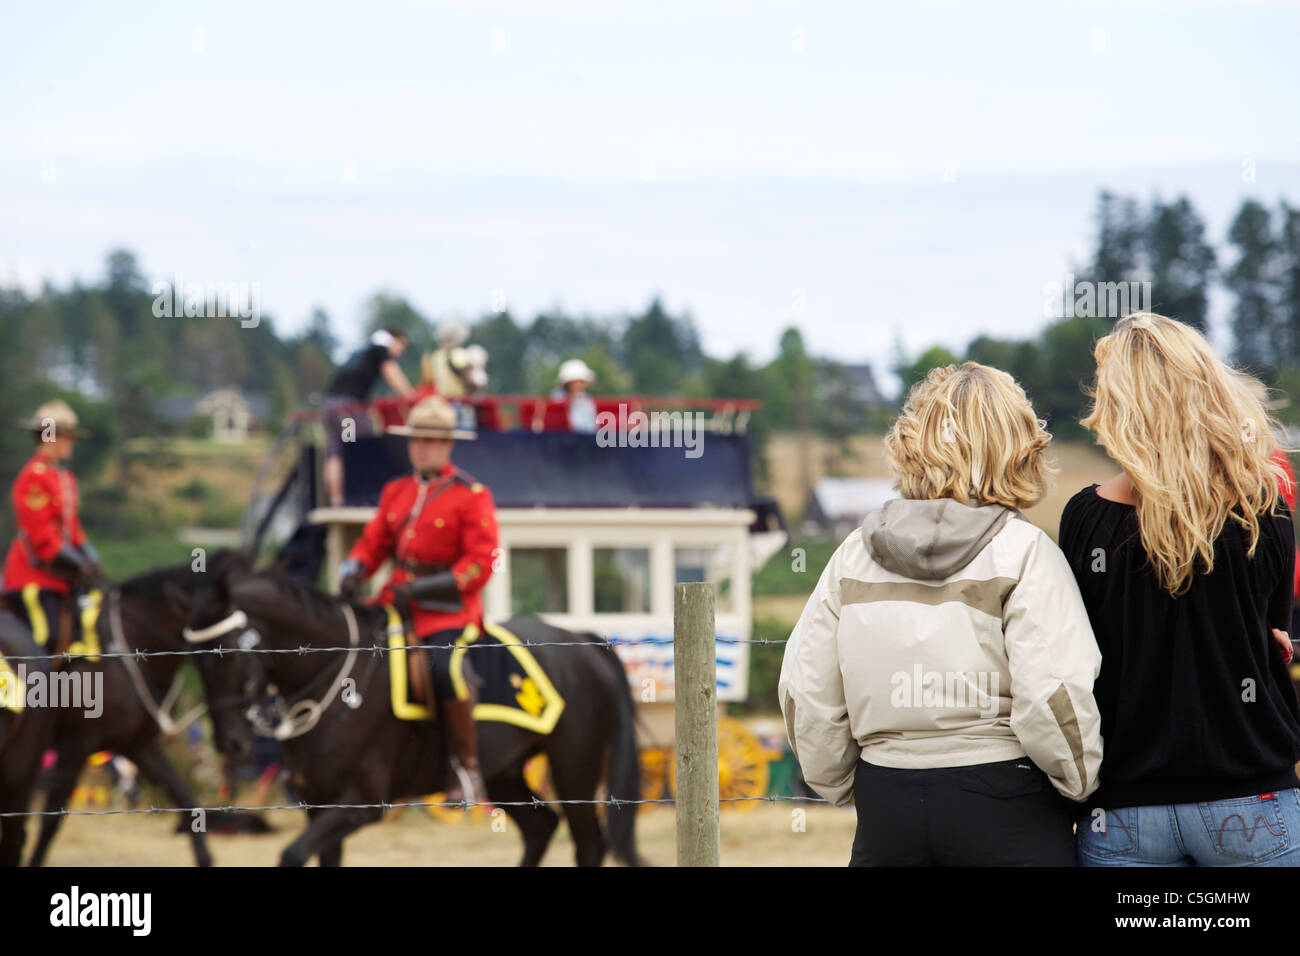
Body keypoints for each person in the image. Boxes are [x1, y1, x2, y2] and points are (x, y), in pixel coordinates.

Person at [779, 362, 1103, 866]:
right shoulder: (1025, 552)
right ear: (1018, 449)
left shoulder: (852, 555)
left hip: (887, 804)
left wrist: (839, 783)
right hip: (1008, 801)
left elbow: (806, 690)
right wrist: (1078, 781)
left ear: (911, 442)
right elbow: (1053, 694)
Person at [1059, 312, 1300, 867]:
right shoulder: (1265, 509)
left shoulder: (1084, 519)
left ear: (1117, 405)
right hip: (1254, 798)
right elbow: (1275, 630)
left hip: (1122, 808)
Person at [336, 396, 498, 804]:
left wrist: (425, 589)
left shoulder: (472, 495)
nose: (421, 447)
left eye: (430, 440)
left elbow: (480, 565)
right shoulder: (396, 492)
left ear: (448, 444)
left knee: (443, 669)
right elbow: (374, 544)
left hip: (448, 613)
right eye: (416, 439)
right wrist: (354, 568)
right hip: (393, 604)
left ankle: (466, 768)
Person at [3, 400, 103, 652]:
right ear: (50, 437)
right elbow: (42, 539)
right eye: (67, 437)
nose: (72, 442)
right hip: (34, 577)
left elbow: (73, 530)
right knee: (46, 636)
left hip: (61, 577)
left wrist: (91, 559)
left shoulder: (65, 478)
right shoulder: (33, 478)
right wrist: (79, 564)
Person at [321, 327, 417, 507]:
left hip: (331, 405)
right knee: (356, 447)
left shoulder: (363, 350)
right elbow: (391, 372)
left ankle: (337, 500)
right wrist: (411, 397)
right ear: (395, 339)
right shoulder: (380, 348)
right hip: (348, 409)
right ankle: (357, 496)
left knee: (335, 452)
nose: (400, 352)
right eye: (401, 346)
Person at [551, 359, 597, 433]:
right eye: (576, 382)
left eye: (581, 382)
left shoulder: (587, 399)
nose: (579, 385)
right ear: (568, 383)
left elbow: (592, 426)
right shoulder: (557, 399)